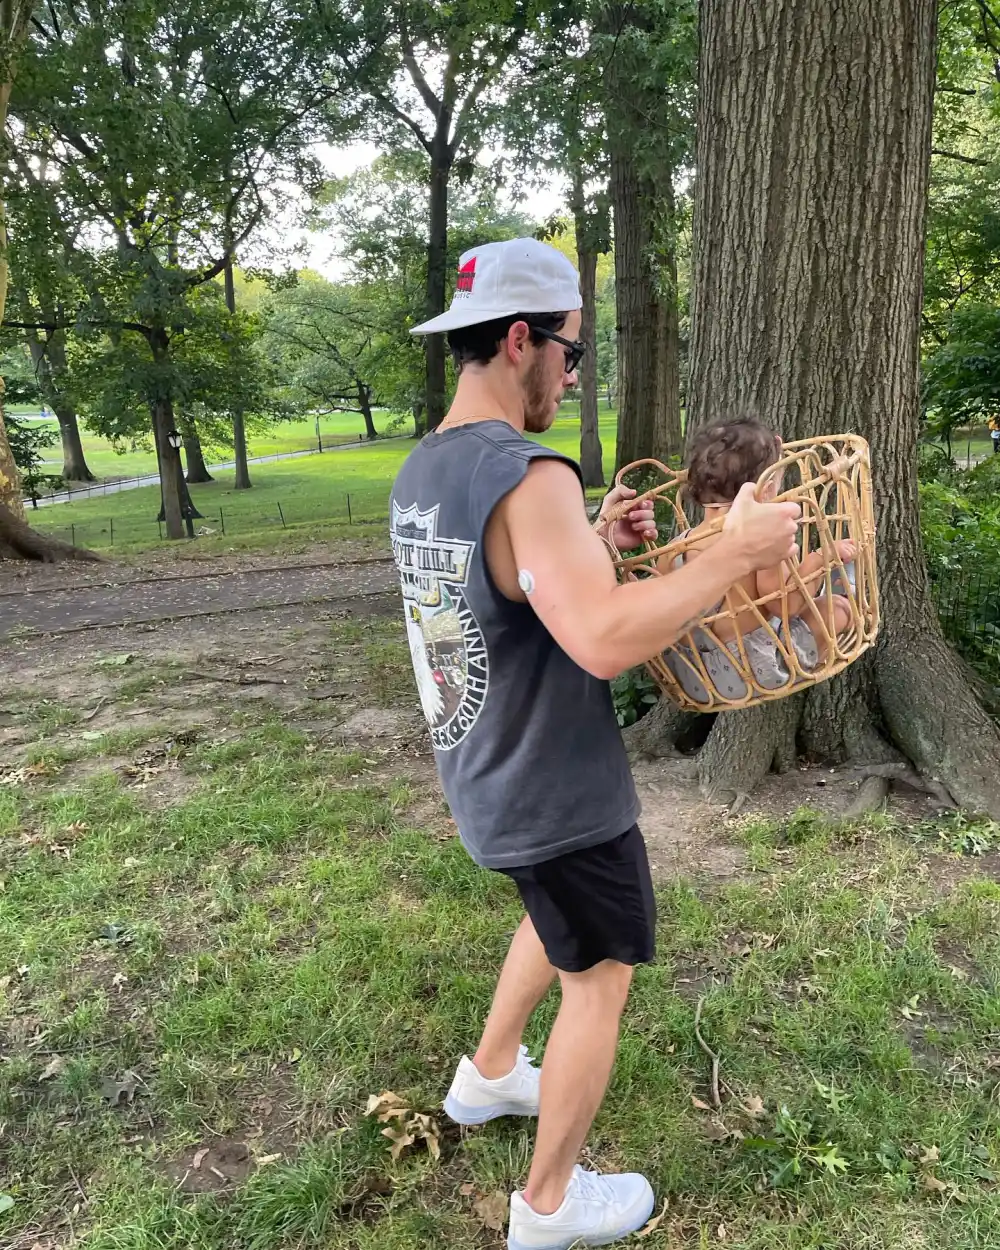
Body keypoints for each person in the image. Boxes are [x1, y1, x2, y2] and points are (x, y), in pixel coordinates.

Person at [388, 238, 800, 1250]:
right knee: (601, 967)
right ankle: (549, 1202)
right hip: (551, 785)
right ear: (521, 339)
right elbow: (605, 639)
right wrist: (737, 554)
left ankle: (488, 1075)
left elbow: (508, 587)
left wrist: (586, 537)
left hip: (485, 770)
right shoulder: (525, 471)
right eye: (571, 355)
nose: (573, 376)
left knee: (554, 913)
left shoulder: (429, 466)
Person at [657, 419, 855, 700]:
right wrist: (819, 559)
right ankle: (839, 585)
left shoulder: (673, 550)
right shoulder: (762, 537)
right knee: (837, 607)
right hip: (752, 675)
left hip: (692, 677)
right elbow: (785, 605)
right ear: (765, 487)